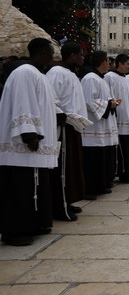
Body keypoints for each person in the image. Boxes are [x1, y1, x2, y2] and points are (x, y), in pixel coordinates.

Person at [0, 38, 57, 246]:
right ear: (42, 52)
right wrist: (29, 133)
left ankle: (35, 224)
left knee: (32, 188)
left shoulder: (36, 74)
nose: (53, 57)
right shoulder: (25, 72)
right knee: (19, 190)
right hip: (23, 146)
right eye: (51, 52)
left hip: (32, 147)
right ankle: (16, 231)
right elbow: (23, 103)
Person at [46, 41, 90, 221]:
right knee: (62, 168)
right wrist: (64, 117)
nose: (82, 57)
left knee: (71, 167)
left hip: (73, 126)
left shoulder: (70, 73)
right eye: (81, 54)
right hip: (63, 127)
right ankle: (59, 206)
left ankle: (68, 199)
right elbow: (52, 99)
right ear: (72, 55)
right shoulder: (56, 73)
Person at [81, 51, 120, 199]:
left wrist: (111, 102)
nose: (110, 65)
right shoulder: (90, 78)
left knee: (101, 158)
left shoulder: (99, 78)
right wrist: (108, 104)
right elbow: (88, 101)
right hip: (94, 127)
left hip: (102, 125)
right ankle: (91, 189)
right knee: (93, 160)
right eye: (109, 62)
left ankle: (101, 185)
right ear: (103, 62)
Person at [104, 54, 129, 183]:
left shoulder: (126, 78)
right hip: (119, 119)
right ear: (120, 64)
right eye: (128, 64)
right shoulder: (110, 77)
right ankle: (123, 172)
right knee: (122, 148)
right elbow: (107, 95)